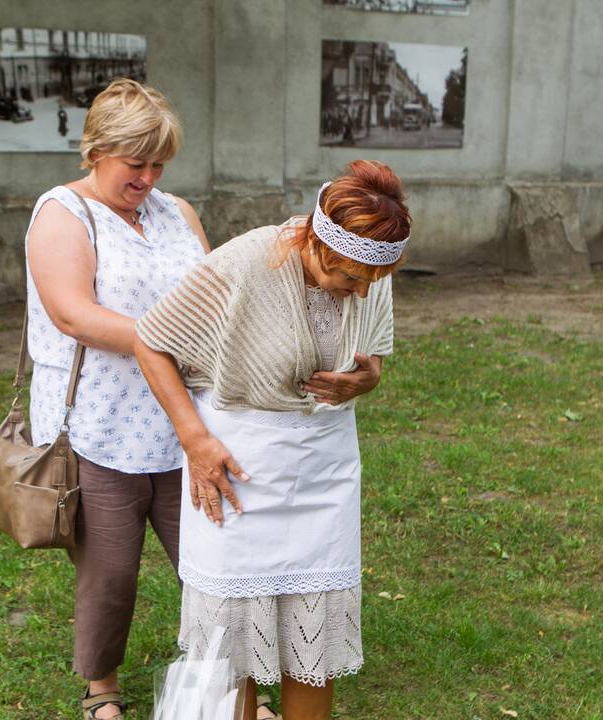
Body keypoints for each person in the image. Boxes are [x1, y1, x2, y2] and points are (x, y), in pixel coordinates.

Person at [134, 160, 409, 720]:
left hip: (325, 469)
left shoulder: (369, 269)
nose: (360, 291)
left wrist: (369, 376)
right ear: (316, 242)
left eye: (370, 281)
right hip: (240, 469)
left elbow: (372, 347)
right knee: (234, 647)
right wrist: (194, 439)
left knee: (315, 643)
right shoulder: (244, 262)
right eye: (349, 278)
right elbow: (151, 340)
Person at [23, 77, 210, 720]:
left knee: (213, 565)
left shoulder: (177, 212)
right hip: (99, 425)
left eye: (160, 163)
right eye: (137, 163)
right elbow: (74, 315)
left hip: (184, 421)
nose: (149, 177)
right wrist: (166, 338)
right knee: (110, 573)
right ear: (97, 149)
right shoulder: (61, 214)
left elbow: (213, 299)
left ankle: (227, 684)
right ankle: (100, 690)